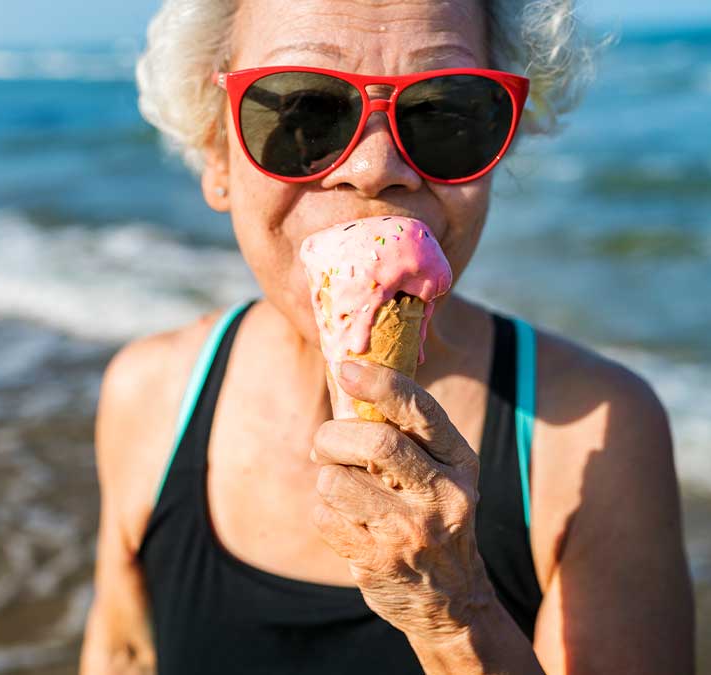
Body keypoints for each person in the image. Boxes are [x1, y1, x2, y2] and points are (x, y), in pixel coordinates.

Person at [80, 0, 696, 672]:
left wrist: (455, 616)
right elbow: (125, 652)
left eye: (444, 112)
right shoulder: (150, 395)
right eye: (304, 111)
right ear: (216, 147)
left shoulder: (598, 436)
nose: (376, 168)